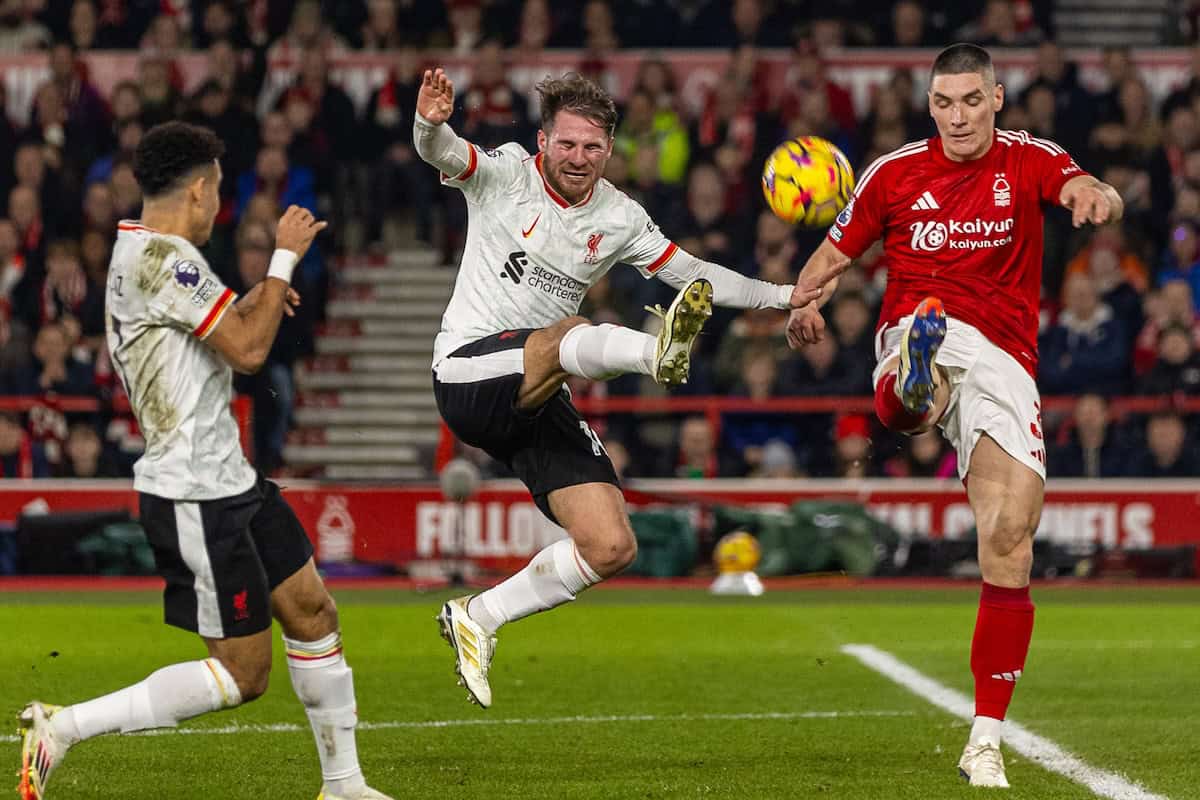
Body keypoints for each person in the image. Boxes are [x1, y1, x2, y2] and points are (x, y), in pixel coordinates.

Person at [17, 122, 390, 800]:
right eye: (217, 190)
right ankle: (63, 725)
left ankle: (344, 786)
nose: (219, 205)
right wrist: (281, 261)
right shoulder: (166, 259)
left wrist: (254, 300)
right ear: (198, 189)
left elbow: (214, 339)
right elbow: (249, 353)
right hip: (194, 492)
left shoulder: (148, 254)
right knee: (244, 676)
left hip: (232, 478)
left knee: (312, 610)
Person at [415, 68, 809, 708]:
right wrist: (430, 123)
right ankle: (659, 355)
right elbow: (442, 151)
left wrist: (785, 296)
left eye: (592, 147)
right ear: (543, 141)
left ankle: (478, 617)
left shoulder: (619, 216)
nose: (578, 158)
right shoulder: (507, 174)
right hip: (467, 372)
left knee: (610, 543)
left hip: (537, 388)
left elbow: (696, 275)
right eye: (567, 144)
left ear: (610, 150)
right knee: (568, 331)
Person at [786, 44, 1123, 788]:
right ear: (930, 105)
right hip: (922, 320)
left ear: (997, 98)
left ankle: (984, 739)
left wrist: (1096, 196)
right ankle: (913, 384)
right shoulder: (893, 173)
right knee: (921, 375)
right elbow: (834, 253)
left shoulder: (1027, 157)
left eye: (972, 100)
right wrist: (801, 302)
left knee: (1009, 538)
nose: (958, 115)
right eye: (944, 102)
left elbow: (1081, 183)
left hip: (1004, 357)